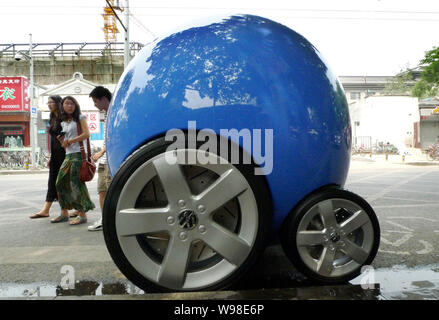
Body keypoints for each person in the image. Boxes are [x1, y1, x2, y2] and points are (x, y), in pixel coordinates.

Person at [51, 96, 95, 225]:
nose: (70, 106)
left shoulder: (80, 118)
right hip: (69, 155)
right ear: (62, 106)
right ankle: (64, 213)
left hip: (79, 155)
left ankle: (82, 214)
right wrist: (62, 141)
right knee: (60, 182)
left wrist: (71, 141)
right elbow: (65, 143)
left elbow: (87, 134)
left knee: (76, 184)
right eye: (67, 104)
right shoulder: (64, 121)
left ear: (75, 106)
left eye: (72, 104)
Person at [30, 95, 66, 219]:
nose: (49, 104)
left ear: (57, 103)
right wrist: (51, 156)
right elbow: (53, 139)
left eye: (51, 102)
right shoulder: (52, 117)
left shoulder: (64, 117)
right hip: (56, 154)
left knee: (63, 182)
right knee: (53, 181)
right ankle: (46, 209)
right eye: (48, 102)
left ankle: (74, 209)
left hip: (65, 153)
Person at [87, 86, 112, 231]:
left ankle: (111, 220)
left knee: (110, 192)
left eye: (96, 102)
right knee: (102, 190)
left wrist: (100, 152)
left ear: (103, 99)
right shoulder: (107, 114)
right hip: (103, 161)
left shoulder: (115, 113)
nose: (95, 105)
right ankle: (104, 219)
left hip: (109, 159)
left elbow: (113, 138)